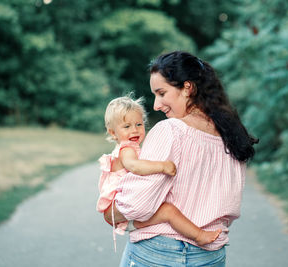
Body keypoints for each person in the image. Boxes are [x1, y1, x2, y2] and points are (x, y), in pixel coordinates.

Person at [104, 51, 258, 266]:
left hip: (159, 253)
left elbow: (136, 206)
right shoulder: (232, 135)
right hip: (211, 255)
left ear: (187, 88)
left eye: (162, 93)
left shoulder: (170, 130)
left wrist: (111, 212)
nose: (156, 105)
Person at [96, 95, 222, 251]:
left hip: (125, 218)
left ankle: (196, 235)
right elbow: (135, 166)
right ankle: (199, 235)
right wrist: (162, 166)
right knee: (168, 211)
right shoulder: (126, 149)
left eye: (138, 124)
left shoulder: (131, 148)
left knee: (166, 213)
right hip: (120, 209)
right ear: (113, 133)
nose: (135, 130)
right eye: (127, 126)